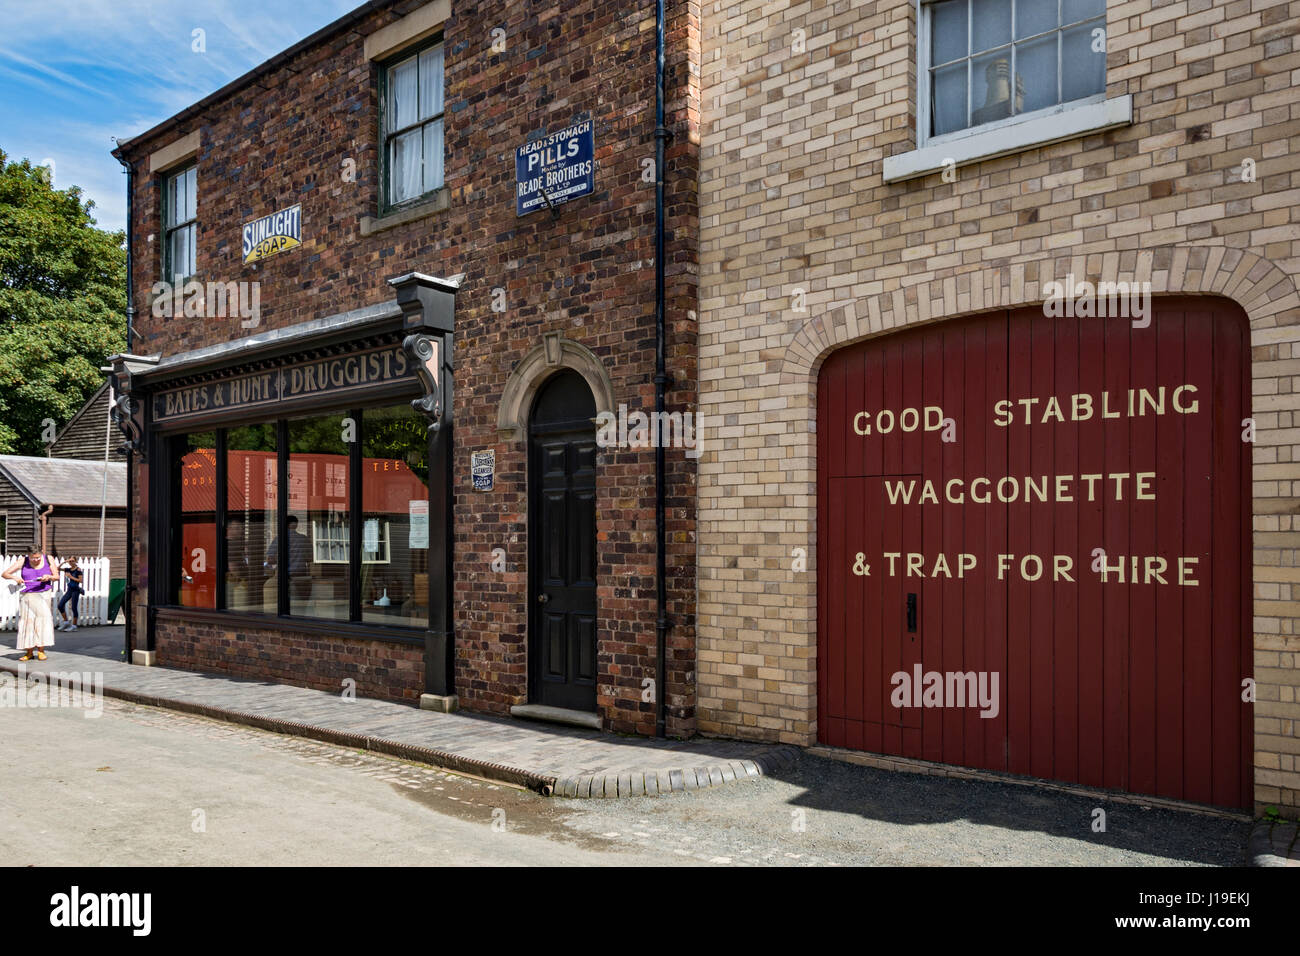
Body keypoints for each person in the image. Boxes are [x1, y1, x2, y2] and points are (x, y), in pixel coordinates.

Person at [3, 510, 56, 661]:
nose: (35, 560)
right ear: (29, 556)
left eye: (38, 558)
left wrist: (49, 576)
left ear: (41, 554)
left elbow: (57, 576)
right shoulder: (23, 561)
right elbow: (5, 573)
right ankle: (28, 652)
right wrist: (15, 578)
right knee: (27, 622)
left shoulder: (48, 559)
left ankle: (41, 650)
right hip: (27, 595)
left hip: (43, 593)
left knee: (42, 620)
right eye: (33, 558)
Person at [56, 557, 84, 631]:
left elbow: (80, 580)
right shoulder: (68, 569)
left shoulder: (78, 570)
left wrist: (71, 577)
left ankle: (74, 626)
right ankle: (66, 622)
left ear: (76, 561)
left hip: (75, 590)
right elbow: (57, 568)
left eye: (73, 561)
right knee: (60, 605)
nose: (71, 562)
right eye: (70, 561)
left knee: (74, 608)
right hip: (69, 590)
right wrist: (64, 562)